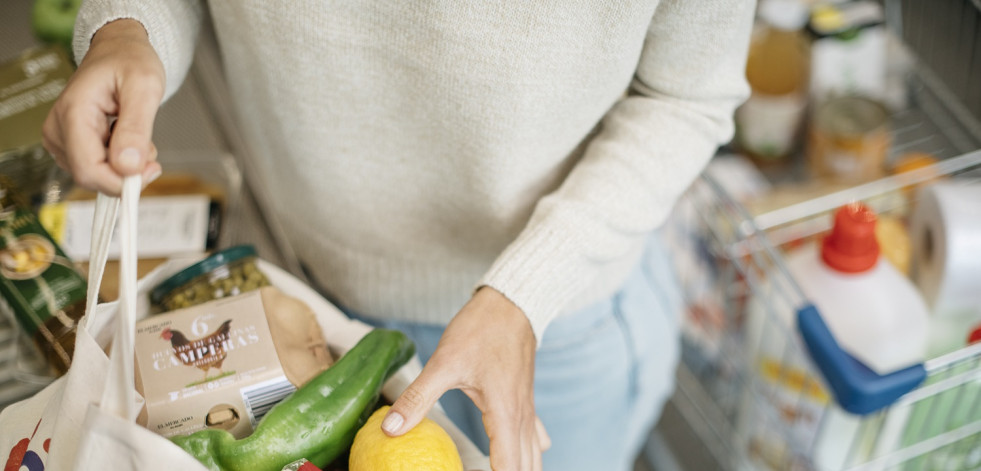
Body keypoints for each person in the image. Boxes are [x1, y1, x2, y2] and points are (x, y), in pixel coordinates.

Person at [43, 1, 754, 470]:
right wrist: (125, 30)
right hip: (300, 292)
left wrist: (523, 291)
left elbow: (688, 93)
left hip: (554, 327)